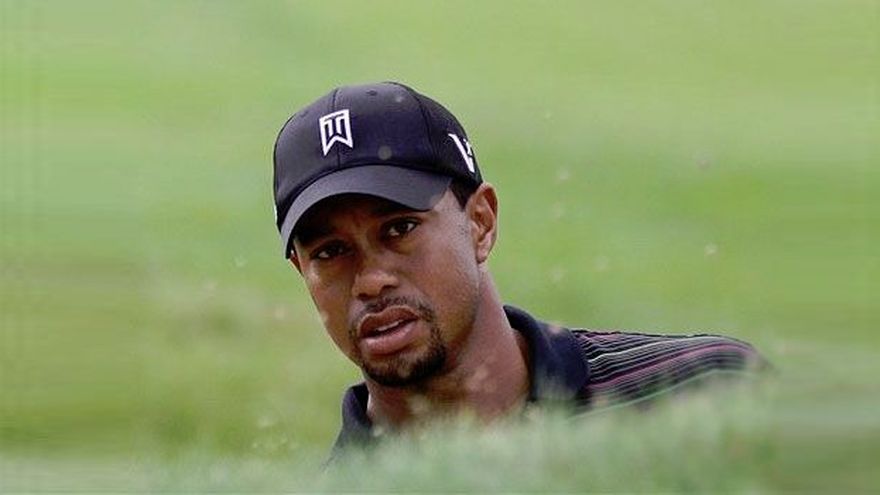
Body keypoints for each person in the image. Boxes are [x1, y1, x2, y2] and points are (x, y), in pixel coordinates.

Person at [271, 81, 764, 454]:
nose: (371, 280)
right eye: (330, 252)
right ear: (302, 273)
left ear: (480, 223)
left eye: (399, 228)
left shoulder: (710, 391)